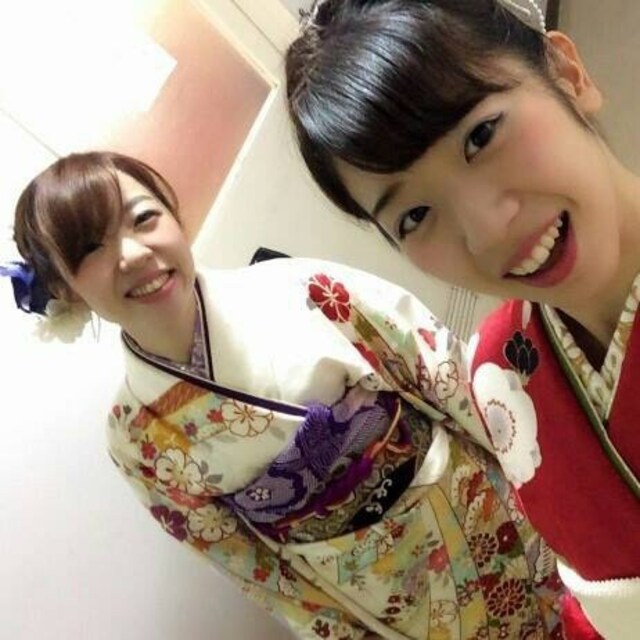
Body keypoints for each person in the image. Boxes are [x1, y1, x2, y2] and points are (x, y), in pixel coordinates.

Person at [3, 150, 565, 639]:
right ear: (65, 288)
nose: (132, 253)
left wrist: (542, 484)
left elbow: (437, 368)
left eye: (144, 218)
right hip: (380, 593)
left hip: (477, 503)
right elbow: (249, 564)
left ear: (173, 214)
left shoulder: (297, 287)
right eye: (91, 249)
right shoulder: (135, 437)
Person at [285, 0, 639, 637]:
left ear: (567, 73)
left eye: (481, 136)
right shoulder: (498, 369)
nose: (487, 231)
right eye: (414, 217)